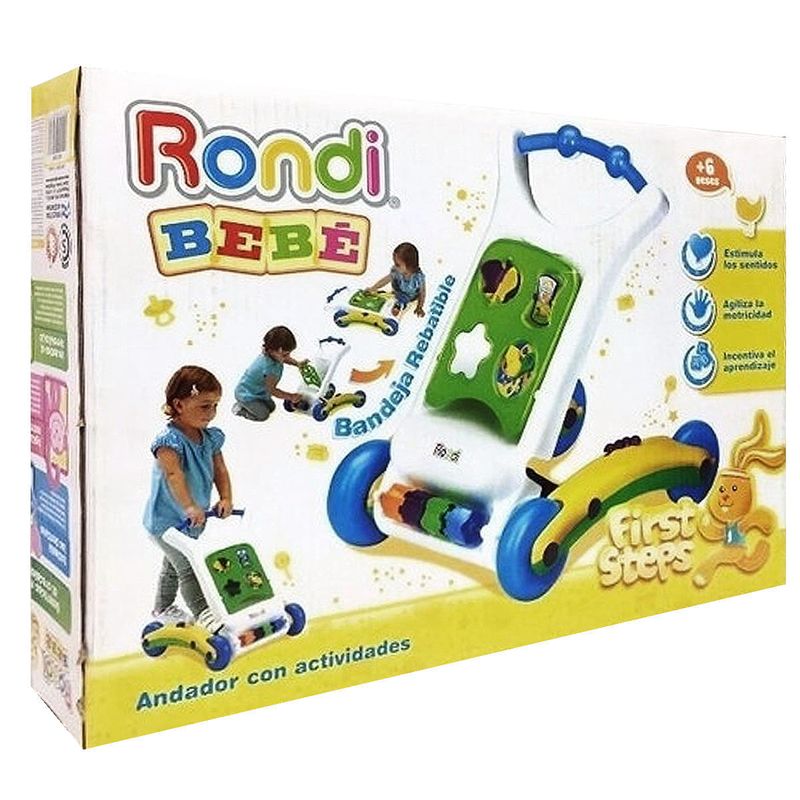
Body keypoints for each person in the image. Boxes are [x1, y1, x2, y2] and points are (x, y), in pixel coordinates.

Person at [143, 365, 232, 633]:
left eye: (215, 405)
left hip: (193, 520)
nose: (211, 413)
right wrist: (190, 506)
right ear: (179, 405)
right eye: (204, 406)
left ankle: (162, 609)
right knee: (188, 567)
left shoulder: (210, 438)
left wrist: (226, 497)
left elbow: (220, 470)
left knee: (172, 566)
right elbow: (174, 475)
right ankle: (204, 613)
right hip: (166, 522)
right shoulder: (169, 442)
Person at [232, 325, 307, 421]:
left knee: (271, 407)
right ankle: (240, 410)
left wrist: (297, 363)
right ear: (276, 351)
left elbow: (285, 359)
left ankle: (252, 404)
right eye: (285, 354)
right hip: (246, 395)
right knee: (263, 415)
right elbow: (272, 390)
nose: (288, 356)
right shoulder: (269, 368)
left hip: (259, 391)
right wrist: (291, 396)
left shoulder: (274, 354)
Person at [366, 242, 426, 316]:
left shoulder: (418, 277)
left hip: (410, 296)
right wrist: (373, 288)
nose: (395, 266)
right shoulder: (397, 271)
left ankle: (398, 307)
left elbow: (422, 293)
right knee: (388, 295)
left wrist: (420, 307)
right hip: (398, 291)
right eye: (394, 263)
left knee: (402, 300)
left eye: (398, 264)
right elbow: (386, 279)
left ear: (410, 265)